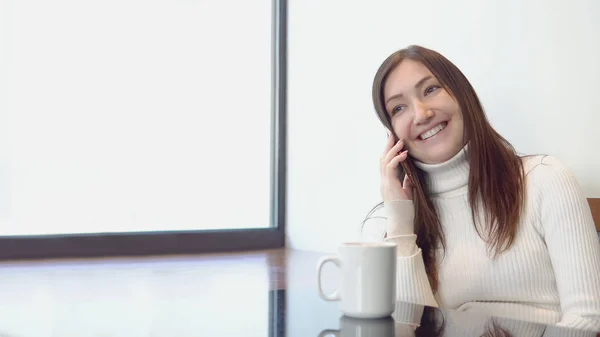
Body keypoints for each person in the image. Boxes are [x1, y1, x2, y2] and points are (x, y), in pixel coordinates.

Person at [361, 44, 600, 332]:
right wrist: (400, 223)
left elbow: (586, 321)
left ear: (463, 95)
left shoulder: (546, 180)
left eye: (431, 89)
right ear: (391, 133)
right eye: (398, 108)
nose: (421, 114)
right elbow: (406, 330)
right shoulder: (384, 226)